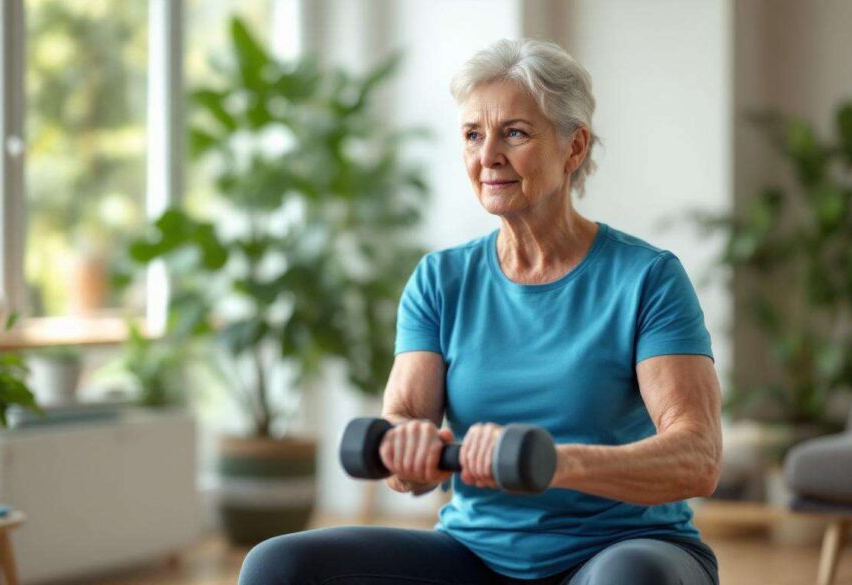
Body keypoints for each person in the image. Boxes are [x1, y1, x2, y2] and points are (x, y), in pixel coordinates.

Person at [239, 38, 722, 585]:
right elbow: (402, 431)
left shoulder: (647, 279)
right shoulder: (441, 281)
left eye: (514, 133)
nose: (487, 155)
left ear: (574, 148)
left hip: (621, 549)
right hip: (476, 555)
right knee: (279, 565)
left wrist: (554, 463)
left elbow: (698, 456)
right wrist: (409, 450)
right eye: (473, 135)